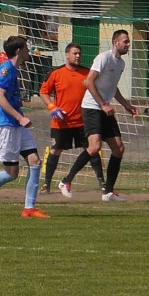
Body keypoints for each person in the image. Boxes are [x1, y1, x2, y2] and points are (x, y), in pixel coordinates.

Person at [0, 35, 49, 219]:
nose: (29, 52)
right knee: (12, 173)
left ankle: (29, 208)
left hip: (16, 124)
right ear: (19, 51)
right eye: (27, 49)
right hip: (6, 125)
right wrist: (19, 117)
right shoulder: (5, 70)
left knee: (35, 161)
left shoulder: (13, 69)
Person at [60, 29, 138, 201]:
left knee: (118, 149)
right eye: (125, 41)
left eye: (128, 41)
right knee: (94, 147)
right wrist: (103, 104)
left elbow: (113, 88)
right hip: (92, 107)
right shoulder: (103, 58)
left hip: (104, 108)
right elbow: (88, 81)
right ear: (116, 43)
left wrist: (126, 105)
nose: (128, 44)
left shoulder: (120, 64)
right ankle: (66, 181)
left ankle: (108, 192)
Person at [38, 42, 105, 197]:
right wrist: (52, 107)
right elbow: (43, 92)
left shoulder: (87, 74)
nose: (78, 56)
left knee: (92, 149)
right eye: (75, 53)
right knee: (55, 150)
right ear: (67, 55)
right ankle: (46, 183)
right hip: (61, 122)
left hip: (83, 121)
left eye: (79, 53)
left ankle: (102, 182)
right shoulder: (56, 73)